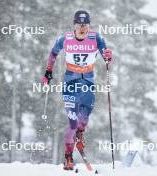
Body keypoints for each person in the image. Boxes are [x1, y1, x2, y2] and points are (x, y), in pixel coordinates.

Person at [42, 10, 112, 170]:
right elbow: (53, 54)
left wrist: (108, 56)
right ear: (74, 25)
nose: (82, 28)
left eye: (85, 25)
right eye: (79, 25)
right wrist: (48, 71)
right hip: (70, 84)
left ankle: (80, 134)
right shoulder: (65, 39)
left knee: (84, 118)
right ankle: (68, 157)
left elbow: (106, 57)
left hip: (87, 83)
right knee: (72, 122)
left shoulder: (96, 38)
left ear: (89, 26)